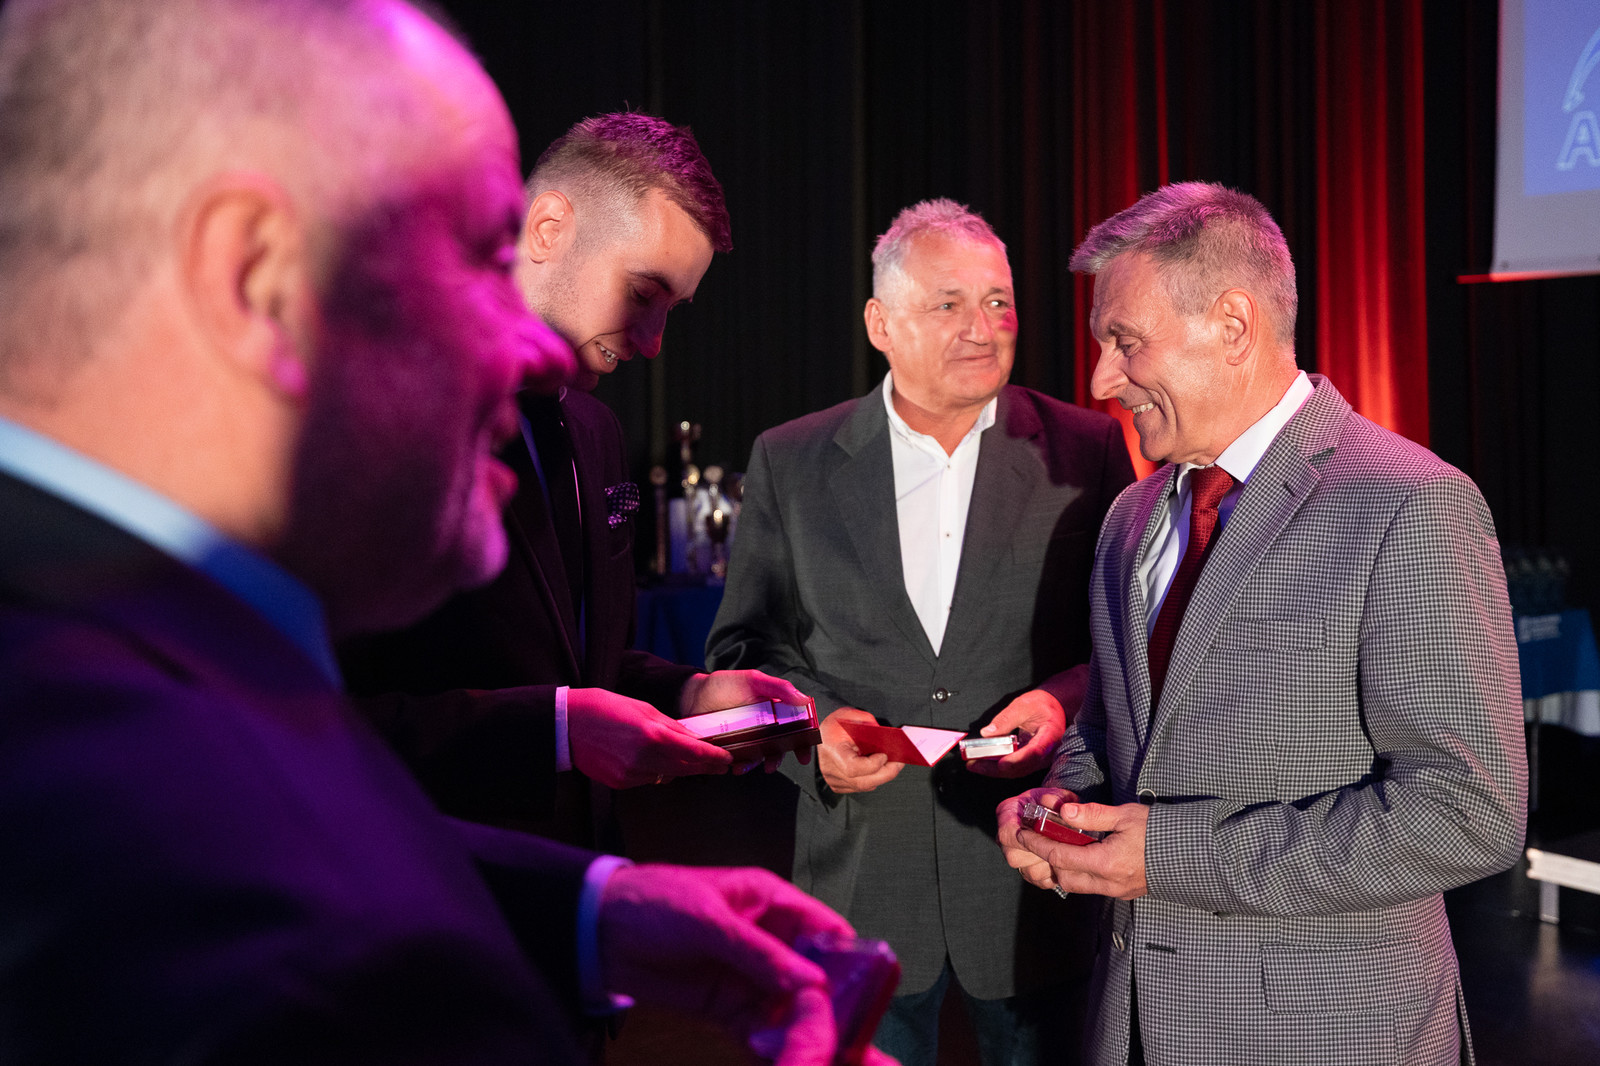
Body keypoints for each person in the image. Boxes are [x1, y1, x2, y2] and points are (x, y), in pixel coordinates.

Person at [0, 2, 888, 1063]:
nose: (532, 350)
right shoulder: (316, 960)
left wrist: (594, 907)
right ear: (255, 278)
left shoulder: (124, 654)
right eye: (476, 254)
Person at [997, 182, 1527, 1065]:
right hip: (1131, 1024)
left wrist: (1169, 857)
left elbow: (1470, 811)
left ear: (1234, 326)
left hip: (1331, 1038)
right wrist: (1064, 805)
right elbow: (1113, 729)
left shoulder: (1412, 503)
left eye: (1125, 342)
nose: (1101, 381)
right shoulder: (1131, 516)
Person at [707, 198, 1137, 1066]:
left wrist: (1061, 701)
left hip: (1031, 885)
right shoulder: (791, 459)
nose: (983, 327)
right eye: (950, 304)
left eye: (998, 301)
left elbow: (1126, 643)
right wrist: (808, 739)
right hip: (858, 884)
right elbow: (740, 656)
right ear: (881, 324)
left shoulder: (1084, 449)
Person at [339, 112, 804, 839]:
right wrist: (555, 732)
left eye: (671, 311)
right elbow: (324, 716)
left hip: (582, 876)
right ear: (548, 229)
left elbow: (584, 664)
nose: (654, 344)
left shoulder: (595, 430)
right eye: (643, 294)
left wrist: (690, 693)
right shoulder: (389, 413)